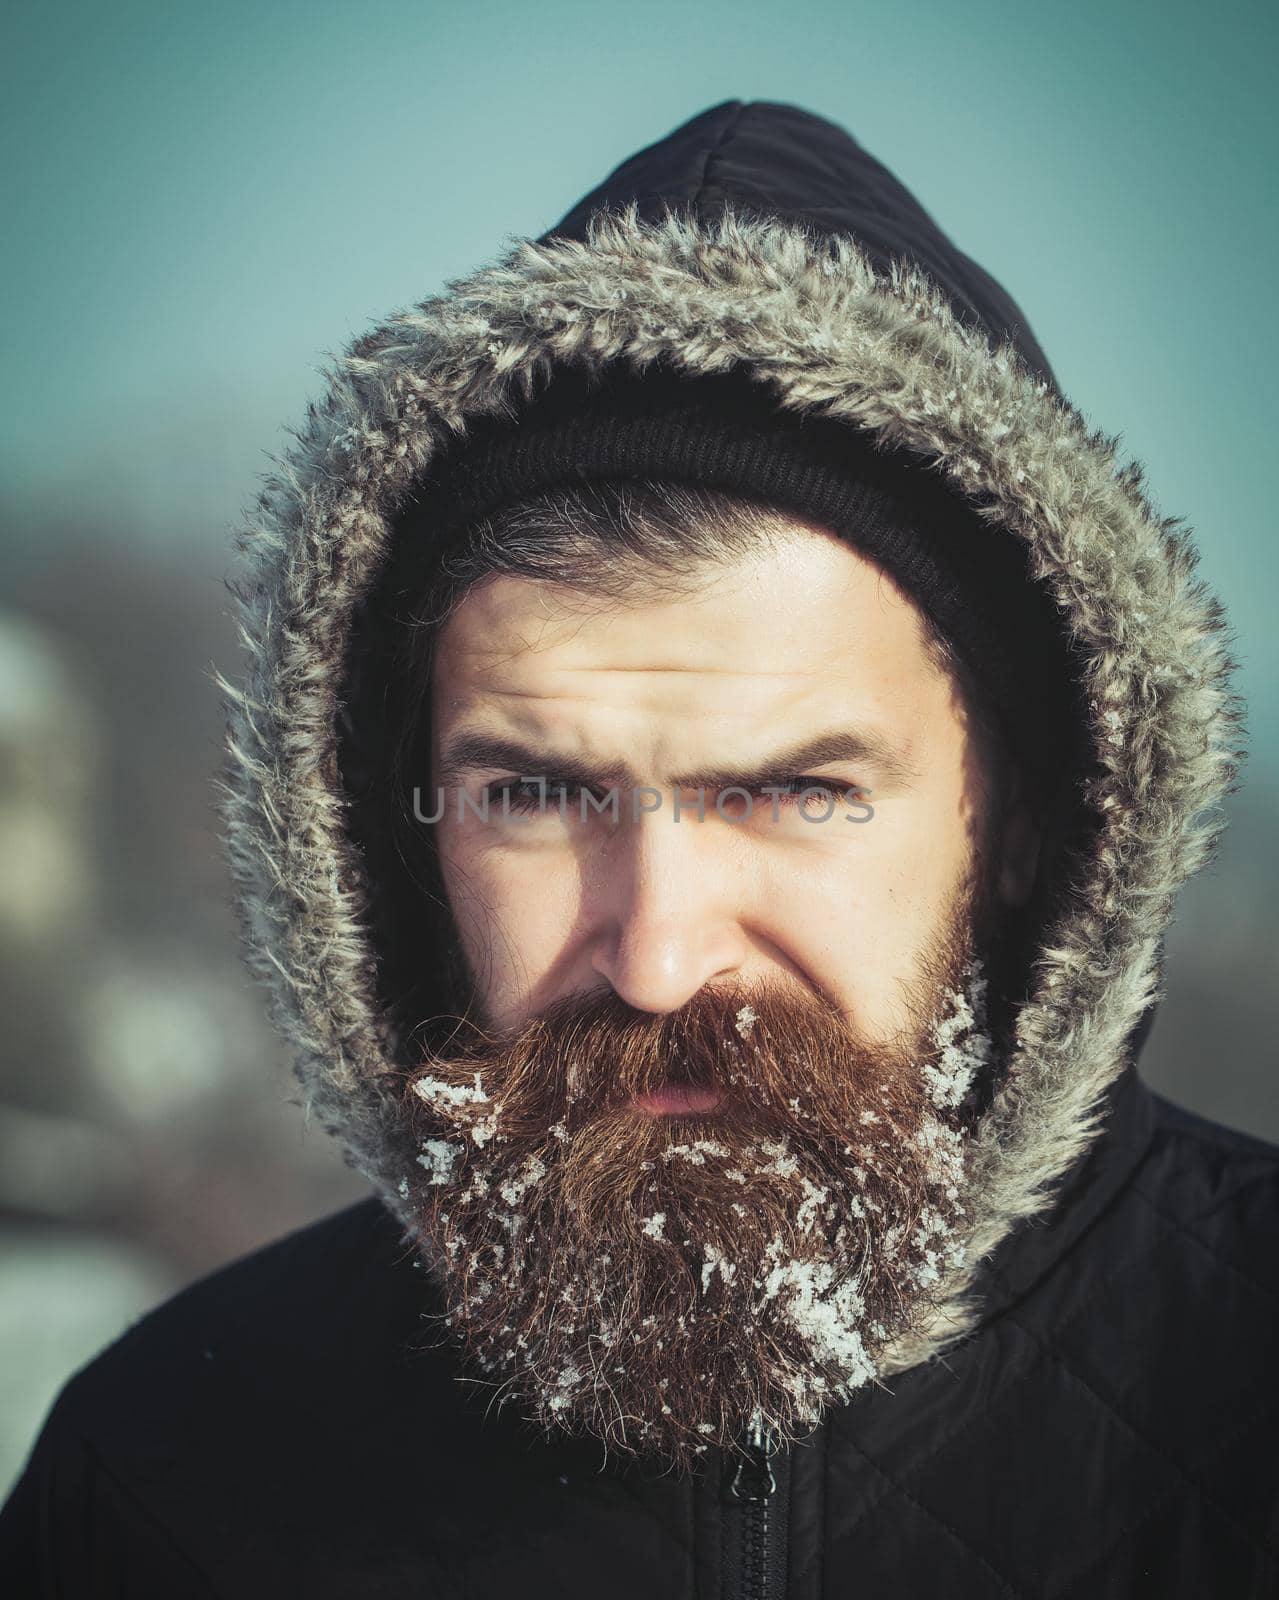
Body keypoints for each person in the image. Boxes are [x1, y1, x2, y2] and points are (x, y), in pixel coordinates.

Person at [2, 98, 1276, 1599]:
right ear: (392, 835)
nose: (659, 955)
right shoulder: (167, 1484)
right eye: (537, 797)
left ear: (1027, 825)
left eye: (794, 792)